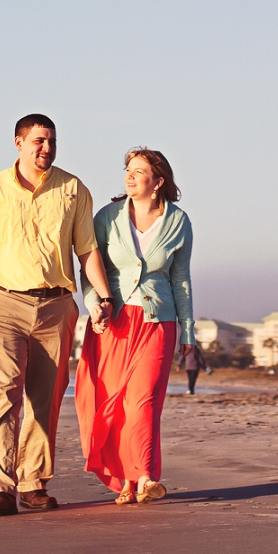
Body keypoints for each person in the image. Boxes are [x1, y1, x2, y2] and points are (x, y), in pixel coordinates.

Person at [0, 114, 113, 518]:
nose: (46, 148)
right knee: (2, 396)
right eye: (39, 140)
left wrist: (104, 297)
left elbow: (87, 250)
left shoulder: (73, 189)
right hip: (2, 305)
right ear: (19, 143)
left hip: (56, 305)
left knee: (46, 398)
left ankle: (33, 482)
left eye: (52, 141)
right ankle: (0, 489)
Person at [76, 146, 194, 505]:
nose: (130, 175)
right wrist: (95, 305)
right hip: (114, 322)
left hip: (159, 321)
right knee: (112, 404)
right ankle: (124, 479)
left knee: (143, 400)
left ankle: (144, 476)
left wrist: (188, 332)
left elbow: (181, 279)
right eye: (128, 169)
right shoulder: (106, 217)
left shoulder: (178, 221)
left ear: (157, 182)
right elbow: (90, 267)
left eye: (139, 171)